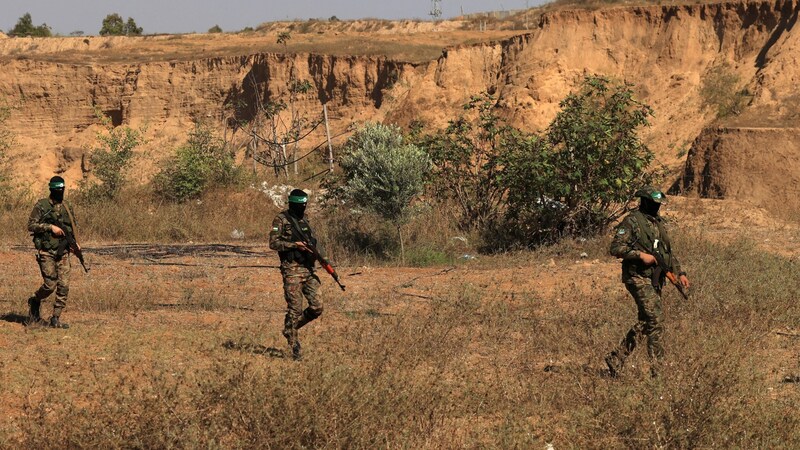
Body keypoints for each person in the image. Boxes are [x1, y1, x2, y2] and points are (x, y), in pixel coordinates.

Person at [604, 186, 690, 377]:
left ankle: (616, 357)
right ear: (644, 202)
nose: (656, 207)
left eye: (658, 204)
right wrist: (640, 255)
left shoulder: (658, 223)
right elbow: (616, 247)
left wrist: (680, 273)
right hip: (637, 277)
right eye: (653, 204)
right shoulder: (632, 222)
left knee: (645, 323)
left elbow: (667, 254)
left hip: (654, 279)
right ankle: (657, 371)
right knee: (656, 321)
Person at [269, 189, 323, 360]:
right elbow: (273, 243)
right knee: (295, 309)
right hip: (291, 270)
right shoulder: (281, 219)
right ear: (292, 204)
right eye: (300, 205)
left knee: (317, 306)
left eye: (304, 205)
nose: (303, 207)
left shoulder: (305, 220)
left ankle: (290, 328)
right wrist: (294, 245)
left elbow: (312, 242)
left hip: (308, 269)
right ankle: (294, 345)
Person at [26, 176, 79, 329]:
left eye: (62, 189)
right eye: (57, 190)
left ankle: (55, 317)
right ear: (51, 189)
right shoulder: (41, 205)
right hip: (46, 251)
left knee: (64, 285)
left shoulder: (67, 206)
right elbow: (31, 225)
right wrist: (50, 227)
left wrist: (75, 245)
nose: (60, 192)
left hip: (63, 251)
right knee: (50, 285)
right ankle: (35, 300)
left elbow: (72, 228)